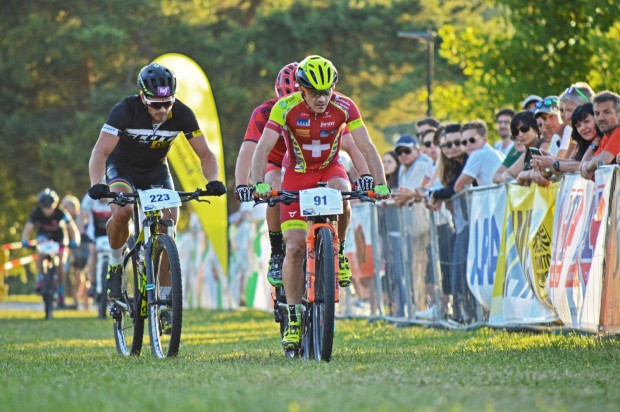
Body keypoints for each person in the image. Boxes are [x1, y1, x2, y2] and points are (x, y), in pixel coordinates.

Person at [251, 55, 390, 350]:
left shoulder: (345, 106)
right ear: (302, 89)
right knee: (295, 247)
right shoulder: (284, 107)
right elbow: (261, 149)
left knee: (343, 191)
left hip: (329, 169)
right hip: (297, 174)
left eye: (327, 91)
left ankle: (337, 252)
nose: (322, 98)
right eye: (315, 93)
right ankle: (294, 315)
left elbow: (365, 145)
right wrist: (259, 184)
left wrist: (380, 181)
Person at [87, 62, 226, 300]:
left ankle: (164, 298)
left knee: (169, 223)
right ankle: (115, 263)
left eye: (167, 103)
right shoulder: (124, 110)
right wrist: (97, 183)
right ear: (143, 97)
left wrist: (213, 180)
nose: (162, 110)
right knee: (123, 212)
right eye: (156, 104)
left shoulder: (182, 113)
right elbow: (100, 152)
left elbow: (205, 154)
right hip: (122, 168)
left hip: (156, 171)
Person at [234, 62, 370, 287]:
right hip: (278, 162)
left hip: (315, 164)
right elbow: (249, 149)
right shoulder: (266, 112)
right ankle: (277, 253)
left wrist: (365, 175)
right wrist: (243, 184)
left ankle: (336, 249)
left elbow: (352, 145)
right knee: (274, 185)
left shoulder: (326, 109)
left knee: (341, 191)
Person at [21, 188, 80, 308]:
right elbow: (28, 227)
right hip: (44, 236)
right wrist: (25, 241)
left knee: (60, 264)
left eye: (50, 207)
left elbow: (72, 228)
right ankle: (40, 277)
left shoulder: (61, 213)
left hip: (60, 237)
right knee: (41, 252)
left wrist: (75, 241)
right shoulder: (37, 212)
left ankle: (61, 290)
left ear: (55, 205)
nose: (47, 211)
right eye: (45, 208)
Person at [532, 103, 602, 177]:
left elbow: (583, 165)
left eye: (587, 121)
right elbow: (573, 162)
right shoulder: (581, 142)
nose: (582, 128)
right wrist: (547, 162)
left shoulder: (604, 138)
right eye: (578, 125)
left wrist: (554, 163)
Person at [79, 193, 113, 302]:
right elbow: (81, 216)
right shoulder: (90, 197)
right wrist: (82, 233)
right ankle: (93, 283)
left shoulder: (114, 195)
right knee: (92, 252)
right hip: (95, 233)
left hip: (112, 232)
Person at [453, 120, 504, 192]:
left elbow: (458, 187)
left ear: (484, 139)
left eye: (472, 140)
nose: (468, 144)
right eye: (464, 142)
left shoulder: (477, 155)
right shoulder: (499, 153)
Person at [580, 91, 620, 180]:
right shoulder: (605, 137)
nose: (600, 118)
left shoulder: (618, 132)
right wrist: (595, 142)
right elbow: (582, 167)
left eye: (607, 112)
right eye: (597, 114)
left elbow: (603, 160)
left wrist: (589, 165)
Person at [390, 134, 433, 206]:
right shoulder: (402, 167)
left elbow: (409, 193)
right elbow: (402, 193)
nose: (403, 154)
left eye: (407, 150)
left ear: (418, 150)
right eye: (399, 152)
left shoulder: (422, 164)